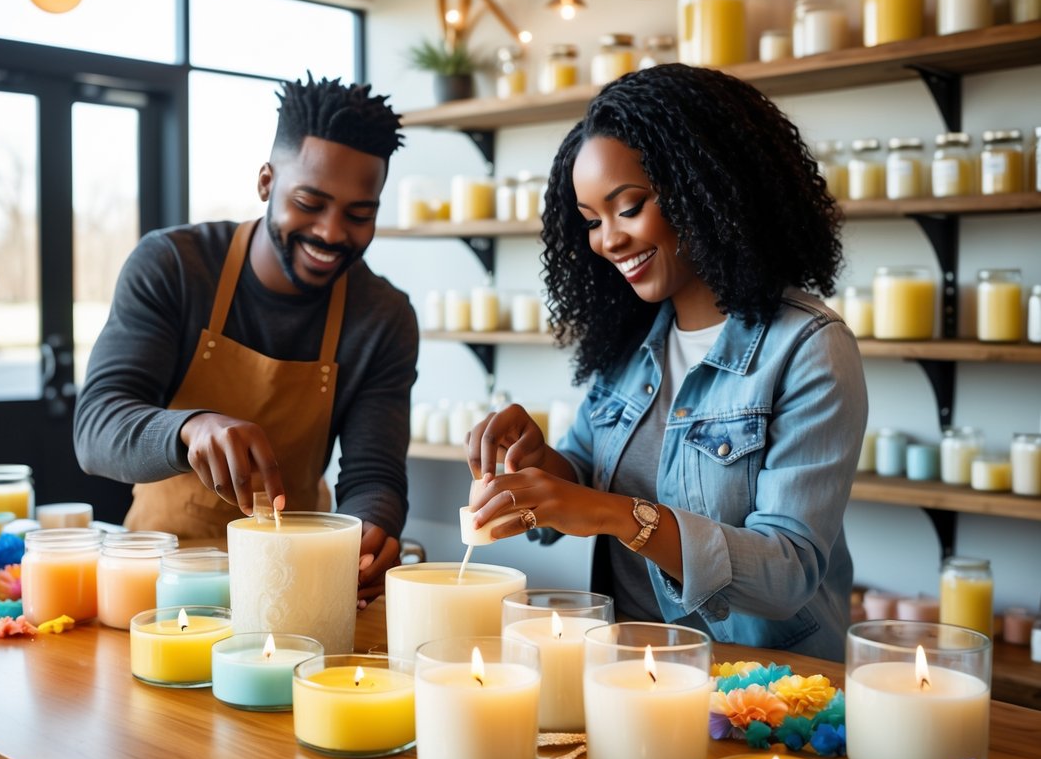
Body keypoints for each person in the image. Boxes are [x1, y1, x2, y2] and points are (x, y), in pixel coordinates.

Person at [466, 64, 867, 661]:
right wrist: (538, 463)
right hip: (624, 666)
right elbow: (585, 475)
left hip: (754, 683)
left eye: (628, 208)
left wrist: (615, 515)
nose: (608, 241)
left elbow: (787, 572)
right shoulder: (629, 339)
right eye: (592, 222)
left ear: (706, 186)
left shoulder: (806, 346)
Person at [74, 74, 417, 606]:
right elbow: (96, 426)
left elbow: (373, 472)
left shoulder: (383, 316)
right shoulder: (173, 266)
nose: (330, 233)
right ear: (265, 183)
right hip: (161, 579)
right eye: (309, 201)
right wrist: (189, 429)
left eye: (358, 214)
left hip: (293, 584)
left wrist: (372, 531)